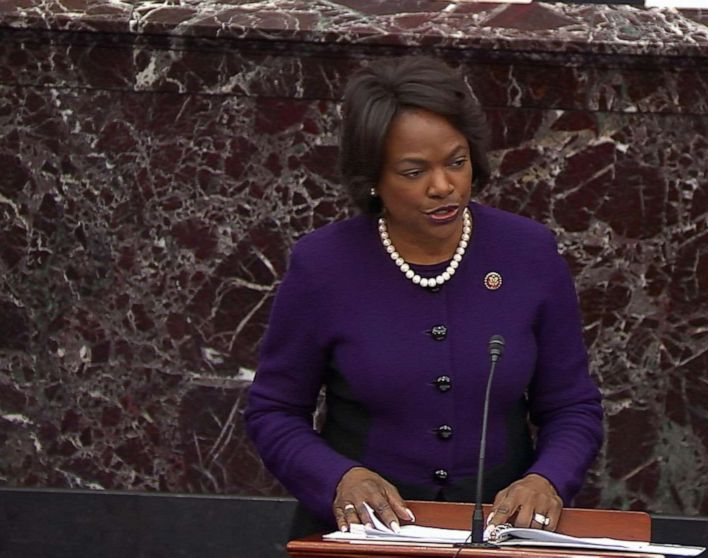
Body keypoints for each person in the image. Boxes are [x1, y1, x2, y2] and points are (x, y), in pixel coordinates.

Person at [244, 56, 603, 540]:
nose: (443, 186)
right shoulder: (323, 266)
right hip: (361, 539)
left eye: (456, 162)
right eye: (414, 172)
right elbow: (274, 411)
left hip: (499, 539)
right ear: (373, 177)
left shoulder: (528, 253)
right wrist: (338, 478)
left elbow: (572, 406)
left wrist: (547, 480)